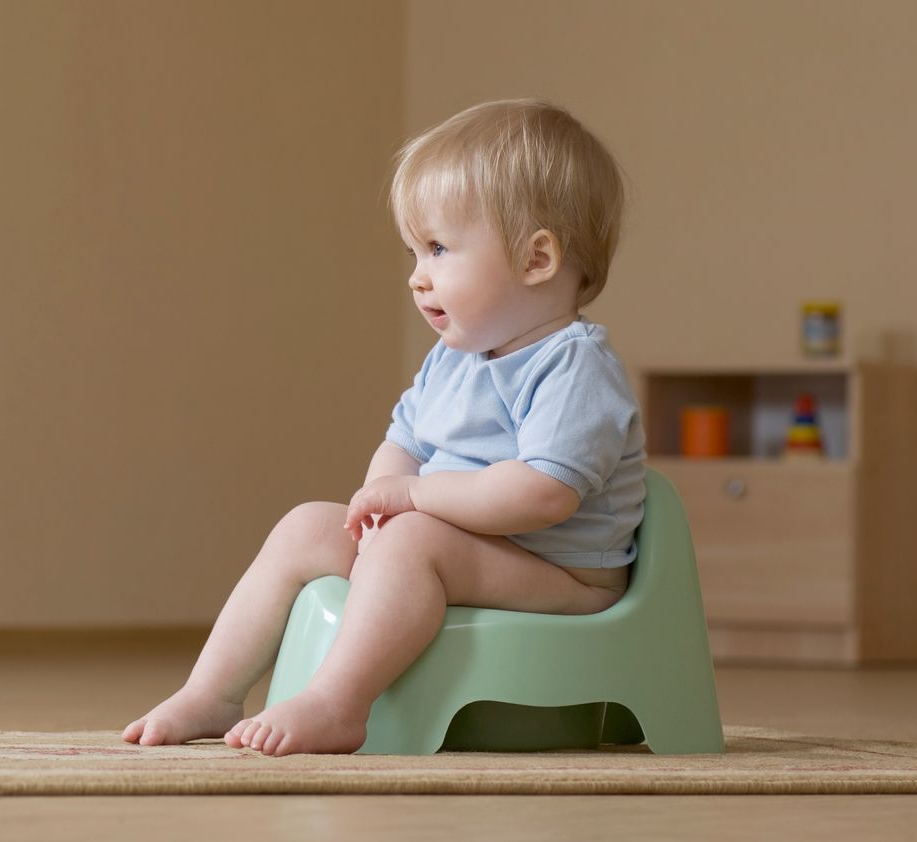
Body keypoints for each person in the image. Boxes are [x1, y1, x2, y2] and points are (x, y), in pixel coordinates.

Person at [122, 98, 646, 757]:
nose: (416, 276)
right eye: (414, 251)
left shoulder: (573, 366)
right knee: (306, 526)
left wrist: (413, 502)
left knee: (411, 541)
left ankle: (338, 704)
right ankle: (212, 691)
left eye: (438, 249)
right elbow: (404, 443)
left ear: (536, 259)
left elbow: (543, 494)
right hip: (459, 548)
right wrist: (379, 506)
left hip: (564, 578)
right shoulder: (454, 358)